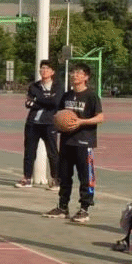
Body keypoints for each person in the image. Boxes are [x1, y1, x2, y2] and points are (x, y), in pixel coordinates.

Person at [43, 62, 104, 224]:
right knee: (64, 175)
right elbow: (60, 115)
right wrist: (59, 121)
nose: (74, 75)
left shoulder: (91, 96)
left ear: (86, 77)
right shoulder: (67, 96)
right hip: (67, 141)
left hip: (84, 141)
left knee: (85, 177)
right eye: (73, 72)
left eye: (78, 73)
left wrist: (81, 122)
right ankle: (63, 207)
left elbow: (100, 117)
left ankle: (84, 208)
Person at [18, 59, 62, 188]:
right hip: (33, 123)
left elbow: (55, 103)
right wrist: (45, 101)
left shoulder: (58, 86)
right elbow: (28, 103)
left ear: (52, 72)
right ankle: (27, 178)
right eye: (42, 68)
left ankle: (56, 179)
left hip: (49, 123)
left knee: (52, 152)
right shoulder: (34, 86)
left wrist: (37, 101)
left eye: (47, 68)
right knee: (29, 152)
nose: (44, 71)